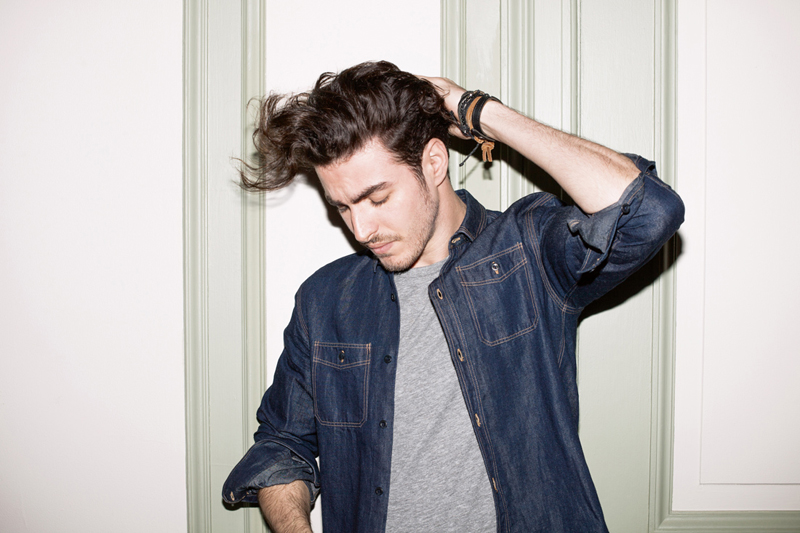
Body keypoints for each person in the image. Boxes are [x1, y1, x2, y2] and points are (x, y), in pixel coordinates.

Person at [222, 61, 684, 533]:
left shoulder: (525, 253)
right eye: (342, 207)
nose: (361, 230)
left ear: (434, 162)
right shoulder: (326, 301)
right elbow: (282, 444)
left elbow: (649, 210)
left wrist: (478, 111)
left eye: (377, 199)